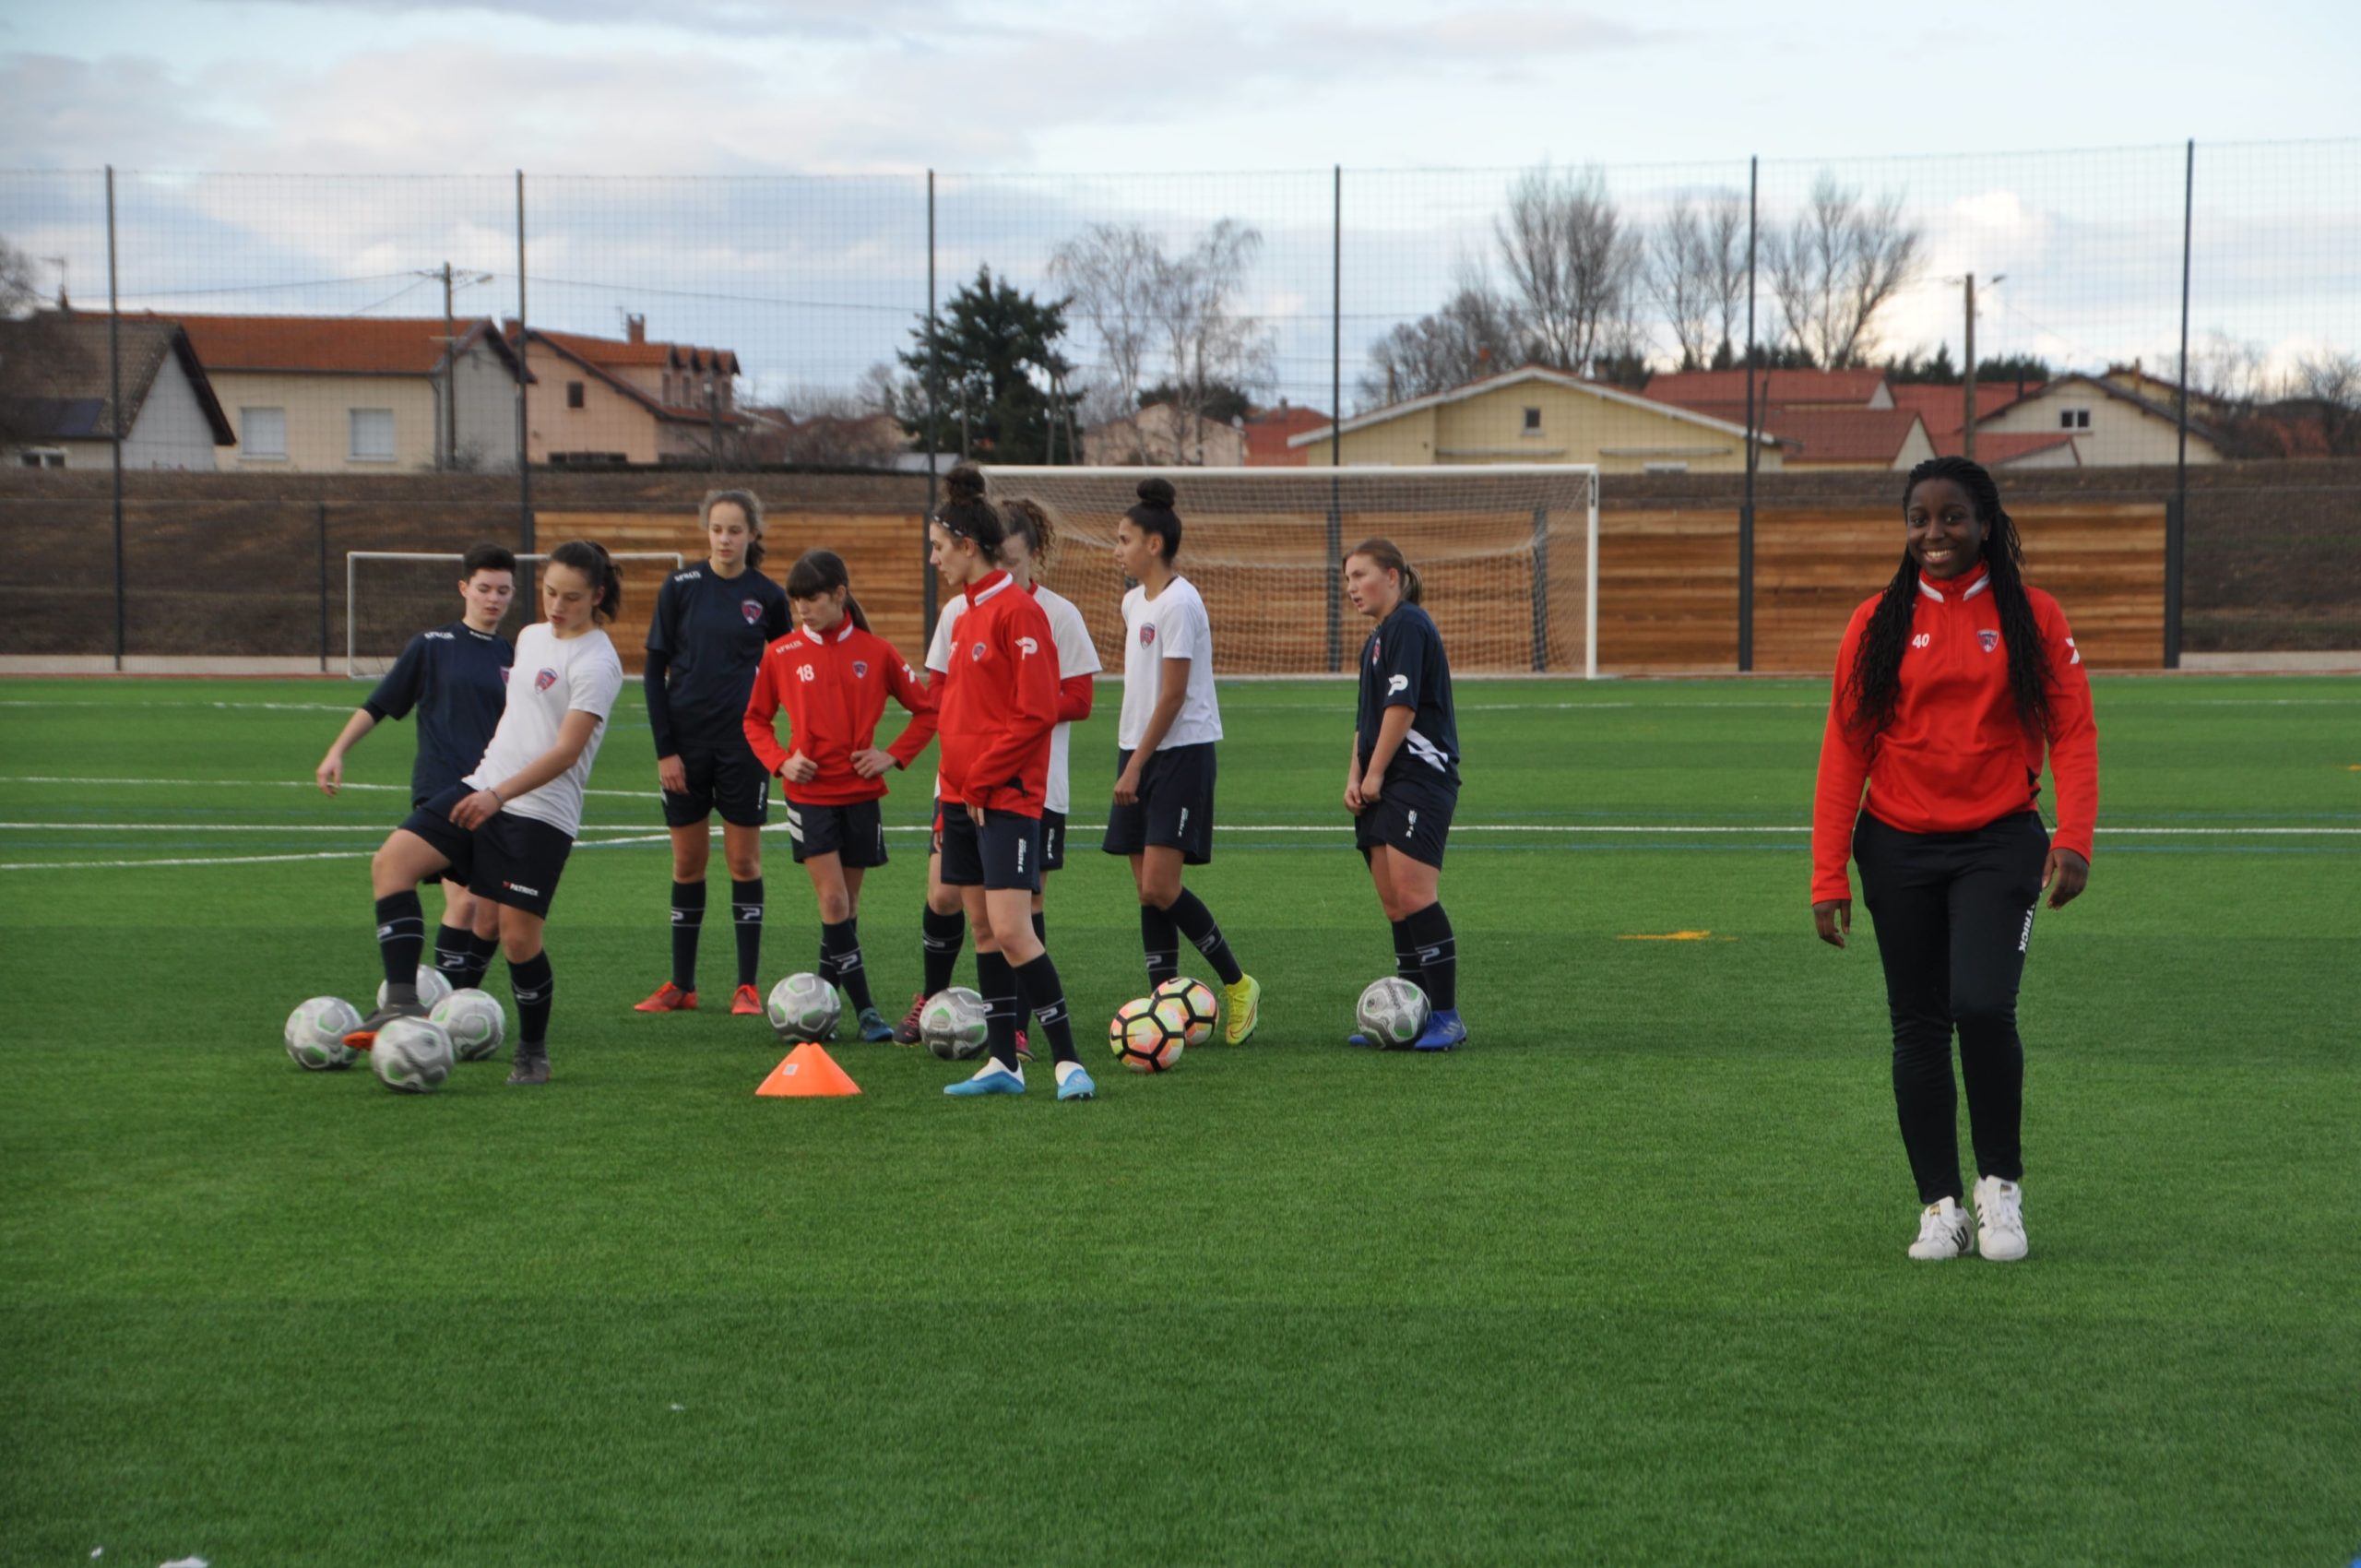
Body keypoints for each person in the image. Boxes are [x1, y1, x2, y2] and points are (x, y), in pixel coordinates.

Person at [1811, 455, 2098, 1264]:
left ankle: (2000, 1189)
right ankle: (1940, 1206)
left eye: (1951, 517)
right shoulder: (1876, 621)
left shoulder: (2032, 615)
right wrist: (1827, 872)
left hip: (1999, 842)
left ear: (1985, 523)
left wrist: (2073, 836)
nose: (1934, 533)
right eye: (1919, 519)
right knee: (1917, 1026)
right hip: (1896, 846)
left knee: (1980, 1004)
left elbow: (2074, 731)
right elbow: (1846, 748)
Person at [344, 540, 628, 1087]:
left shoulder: (598, 661)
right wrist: (487, 786)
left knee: (519, 940)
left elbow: (566, 752)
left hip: (540, 816)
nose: (556, 606)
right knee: (392, 863)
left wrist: (500, 796)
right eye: (548, 592)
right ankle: (402, 1002)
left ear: (596, 597)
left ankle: (533, 1051)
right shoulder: (528, 637)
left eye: (571, 597)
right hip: (479, 786)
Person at [892, 495, 1099, 1051]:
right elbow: (950, 700)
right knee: (983, 928)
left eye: (938, 548)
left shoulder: (1022, 611)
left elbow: (1036, 711)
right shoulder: (963, 611)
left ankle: (1064, 1060)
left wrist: (983, 776)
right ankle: (1002, 1060)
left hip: (1005, 794)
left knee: (1014, 927)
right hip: (961, 795)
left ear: (966, 546)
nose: (932, 559)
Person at [742, 549, 937, 1042]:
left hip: (861, 795)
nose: (802, 610)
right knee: (831, 901)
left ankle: (821, 1003)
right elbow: (755, 720)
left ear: (840, 595)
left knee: (846, 910)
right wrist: (781, 761)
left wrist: (890, 755)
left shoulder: (878, 652)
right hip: (809, 797)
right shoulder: (780, 653)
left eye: (812, 600)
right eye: (796, 602)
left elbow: (928, 711)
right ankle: (868, 1012)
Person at [314, 543, 516, 992]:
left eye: (503, 590)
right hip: (444, 789)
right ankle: (445, 1003)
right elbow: (381, 703)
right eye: (484, 588)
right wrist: (337, 750)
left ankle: (459, 997)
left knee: (491, 916)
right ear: (464, 588)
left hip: (494, 794)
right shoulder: (432, 645)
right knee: (464, 904)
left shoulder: (511, 654)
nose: (493, 599)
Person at [1104, 477, 1259, 1044]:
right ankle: (1162, 1005)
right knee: (1146, 886)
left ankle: (1238, 983)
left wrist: (1136, 765)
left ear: (1153, 545)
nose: (1116, 549)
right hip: (1137, 750)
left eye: (1123, 539)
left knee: (1162, 886)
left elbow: (1173, 694)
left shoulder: (1181, 602)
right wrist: (1130, 755)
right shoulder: (1131, 601)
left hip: (1177, 754)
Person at [635, 491, 791, 1017]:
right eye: (717, 530)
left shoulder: (767, 596)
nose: (724, 539)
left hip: (743, 746)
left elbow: (786, 668)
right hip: (685, 746)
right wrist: (666, 751)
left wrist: (772, 733)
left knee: (744, 862)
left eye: (735, 530)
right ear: (707, 532)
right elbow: (653, 674)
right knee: (687, 862)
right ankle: (682, 985)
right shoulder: (679, 588)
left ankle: (746, 987)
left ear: (752, 535)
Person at [1340, 539, 1465, 1051]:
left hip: (1417, 777)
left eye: (1361, 575)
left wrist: (1375, 775)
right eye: (1346, 578)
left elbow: (1402, 710)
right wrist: (1355, 774)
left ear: (1392, 576)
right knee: (1395, 905)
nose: (1351, 587)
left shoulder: (1410, 624)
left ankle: (1448, 1018)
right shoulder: (1378, 636)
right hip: (1384, 778)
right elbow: (1364, 722)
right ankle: (1410, 1017)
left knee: (1416, 896)